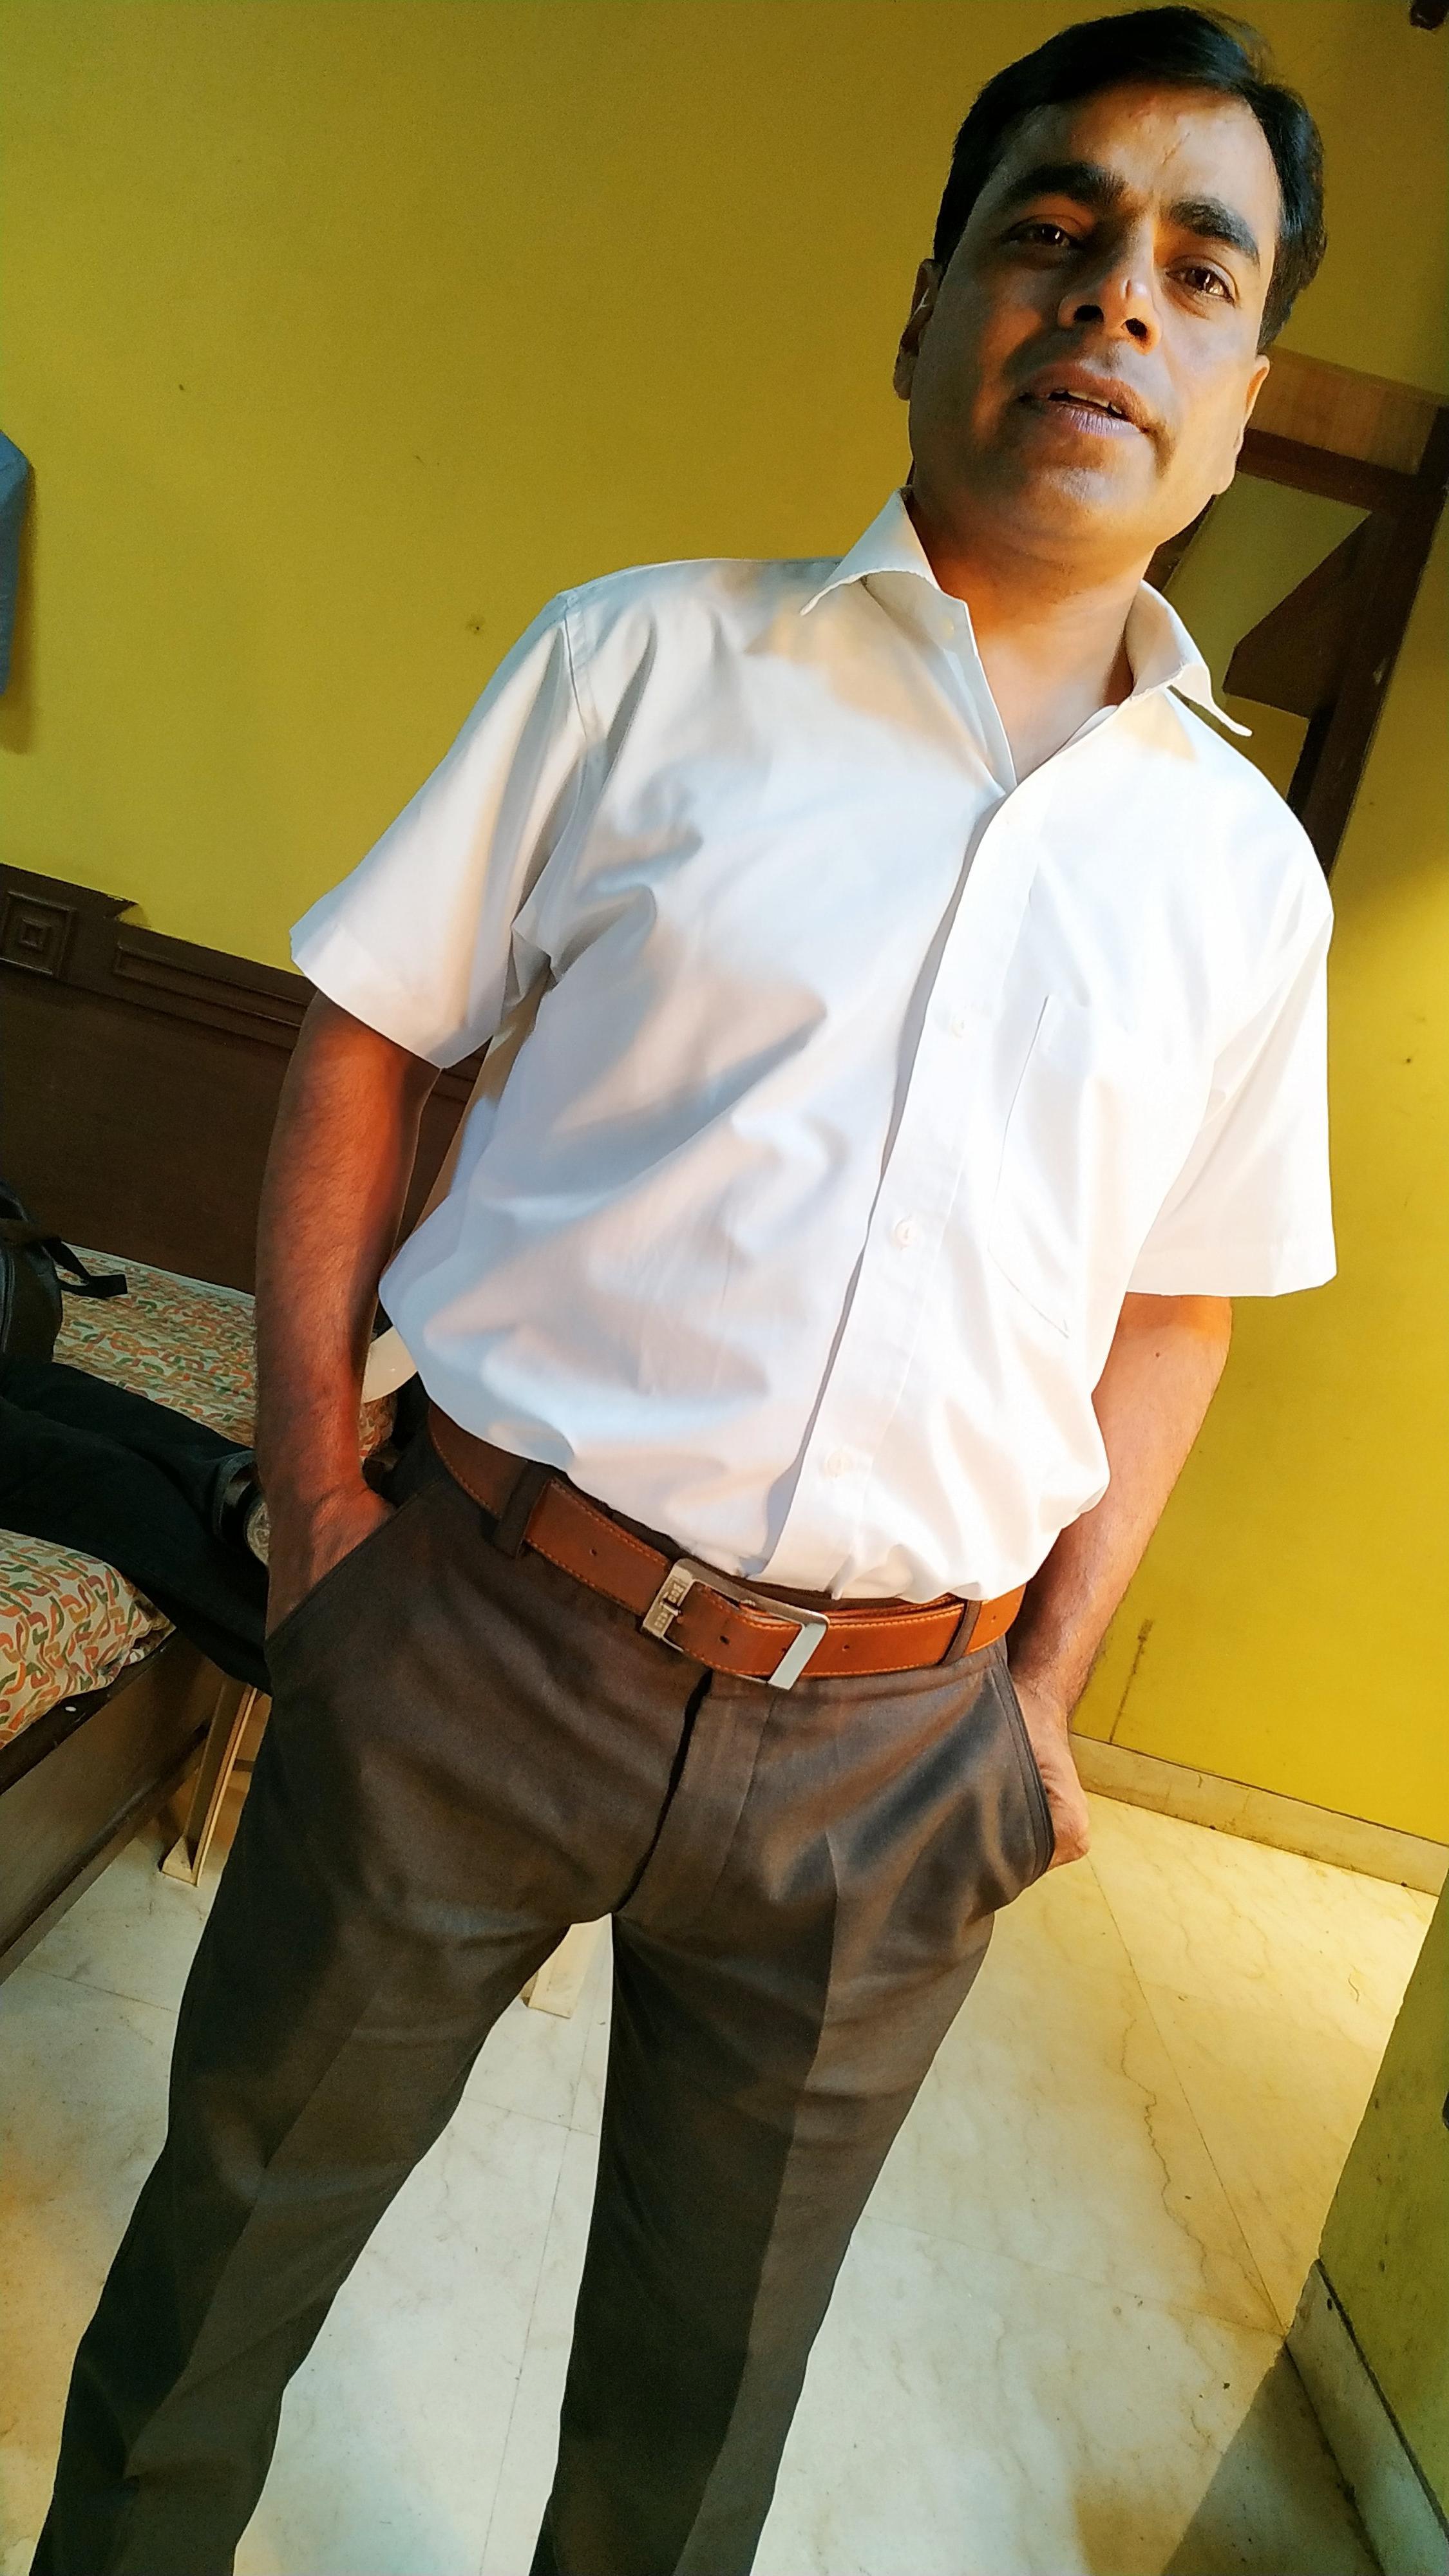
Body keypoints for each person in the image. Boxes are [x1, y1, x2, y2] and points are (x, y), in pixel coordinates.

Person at [32, 10, 1334, 2571]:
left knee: (693, 2421)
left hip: (898, 1753)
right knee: (218, 2278)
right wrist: (314, 1508)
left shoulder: (1238, 883)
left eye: (1197, 271)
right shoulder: (638, 666)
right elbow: (366, 1037)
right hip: (479, 1633)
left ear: (1239, 400)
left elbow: (1176, 1307)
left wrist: (1039, 1712)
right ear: (930, 305)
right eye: (1051, 230)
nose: (1114, 301)